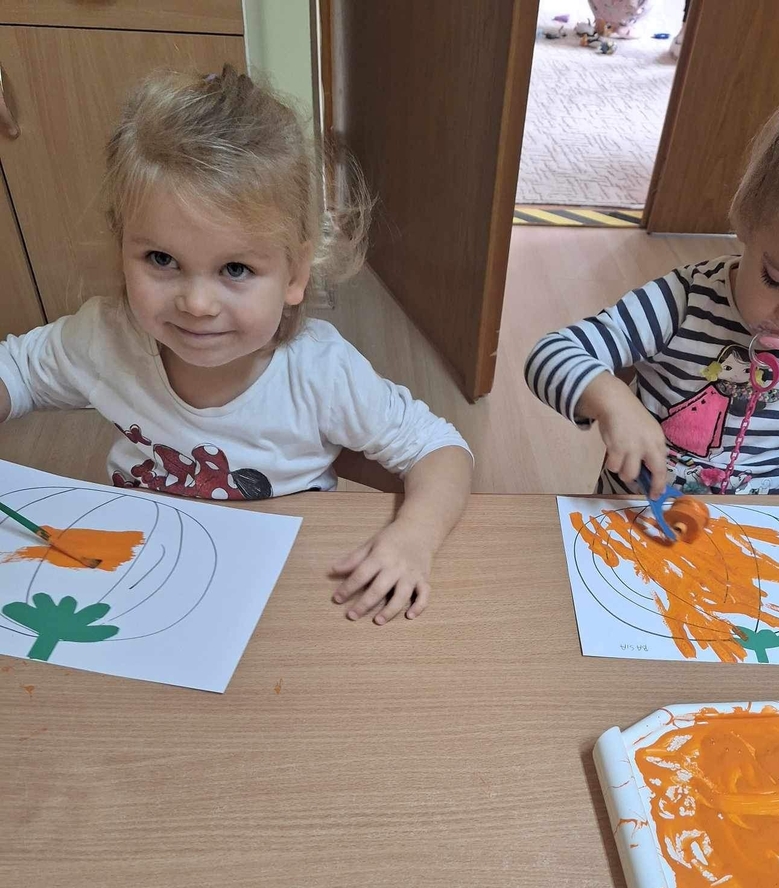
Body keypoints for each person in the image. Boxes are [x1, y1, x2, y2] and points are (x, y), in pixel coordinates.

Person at [0, 66, 473, 623]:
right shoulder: (105, 337)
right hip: (140, 574)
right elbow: (18, 372)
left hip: (287, 592)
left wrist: (414, 538)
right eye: (161, 259)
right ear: (121, 246)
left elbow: (440, 451)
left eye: (236, 269)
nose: (197, 303)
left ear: (295, 273)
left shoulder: (320, 372)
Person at [525, 27, 779, 564]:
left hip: (743, 532)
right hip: (631, 520)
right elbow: (550, 354)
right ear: (747, 223)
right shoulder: (684, 300)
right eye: (776, 279)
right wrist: (611, 398)